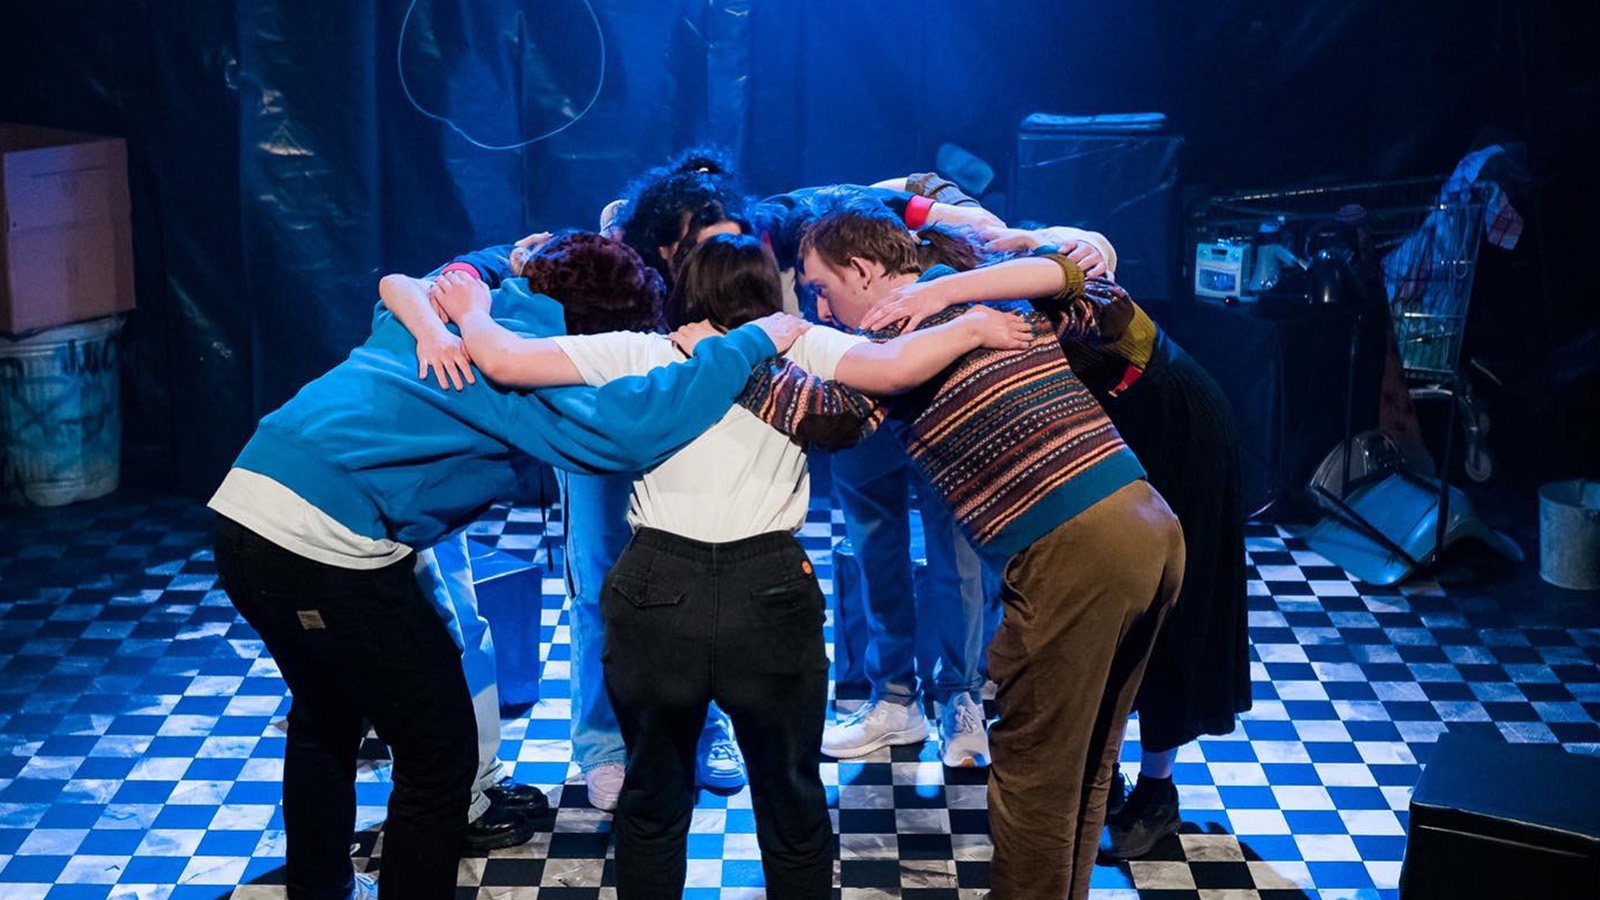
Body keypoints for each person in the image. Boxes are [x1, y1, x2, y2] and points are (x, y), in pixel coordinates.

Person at [433, 232, 1035, 900]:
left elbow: (504, 361)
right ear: (765, 293)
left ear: (685, 290)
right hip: (769, 595)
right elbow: (896, 369)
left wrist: (468, 305)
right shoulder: (799, 344)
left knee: (654, 804)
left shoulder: (640, 350)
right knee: (792, 806)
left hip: (656, 593)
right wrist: (974, 323)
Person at [209, 233, 805, 900]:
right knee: (440, 754)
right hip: (324, 540)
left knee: (326, 712)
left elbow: (415, 278)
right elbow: (637, 428)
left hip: (242, 504)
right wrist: (752, 341)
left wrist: (502, 261)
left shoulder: (459, 306)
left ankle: (319, 890)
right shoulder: (529, 382)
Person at [736, 198, 1185, 899]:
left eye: (821, 289)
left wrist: (731, 349)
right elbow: (1086, 288)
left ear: (861, 269)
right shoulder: (990, 300)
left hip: (1081, 549)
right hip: (1152, 524)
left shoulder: (902, 339)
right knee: (1087, 759)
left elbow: (824, 417)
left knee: (1035, 775)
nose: (820, 310)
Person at [895, 220, 1254, 860]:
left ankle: (1157, 790)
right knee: (1101, 610)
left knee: (1170, 610)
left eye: (931, 285)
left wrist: (949, 295)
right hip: (1114, 435)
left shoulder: (1037, 289)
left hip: (1177, 425)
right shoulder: (976, 308)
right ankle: (1101, 770)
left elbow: (1071, 264)